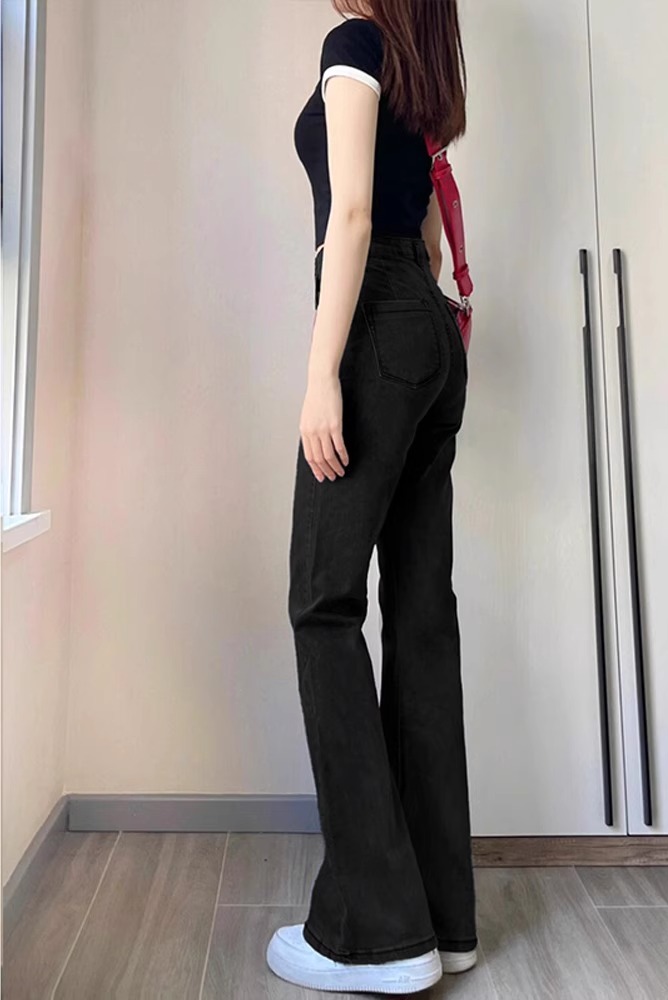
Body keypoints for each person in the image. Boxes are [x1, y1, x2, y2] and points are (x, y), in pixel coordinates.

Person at [267, 0, 476, 993]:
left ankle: (378, 935)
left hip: (377, 328)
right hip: (428, 331)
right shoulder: (421, 68)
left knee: (323, 603)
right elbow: (428, 236)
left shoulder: (354, 46)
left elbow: (352, 214)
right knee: (421, 617)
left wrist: (324, 374)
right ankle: (443, 918)